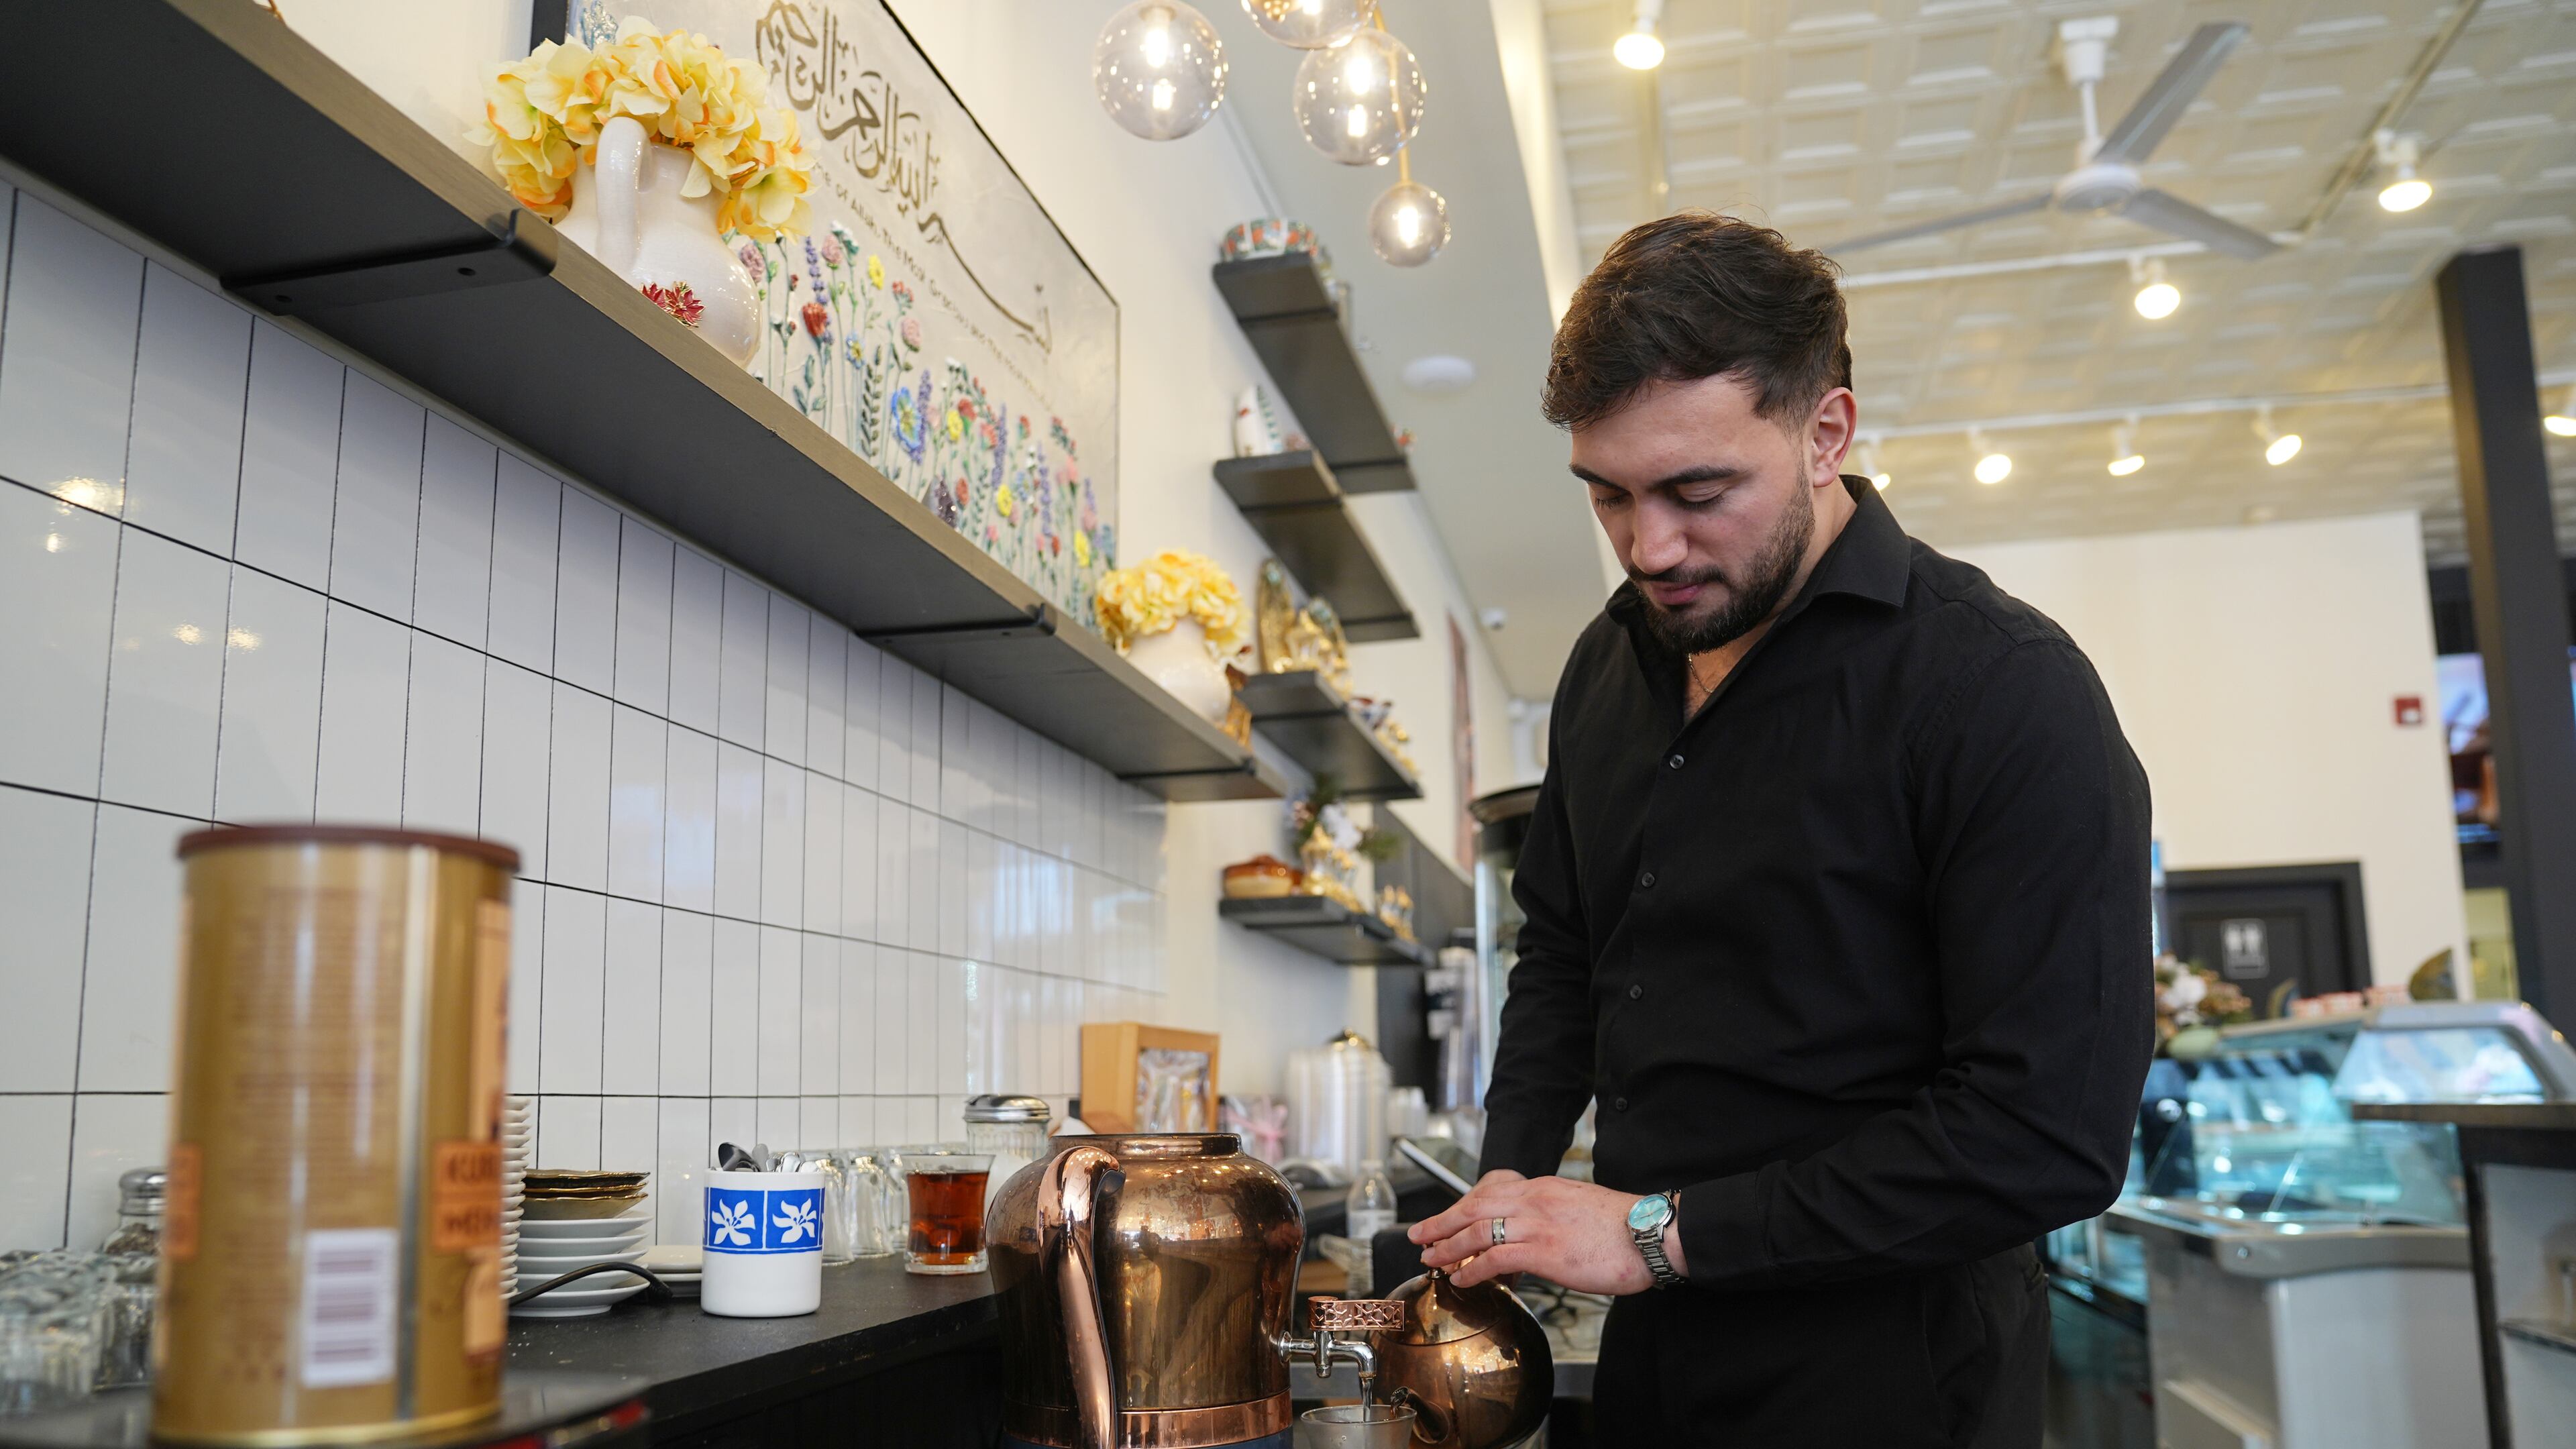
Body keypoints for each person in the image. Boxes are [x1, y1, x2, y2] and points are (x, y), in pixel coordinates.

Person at [1407, 212, 2154, 1446]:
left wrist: (1656, 1234)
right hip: (1659, 1345)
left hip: (1895, 1366)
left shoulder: (2004, 690)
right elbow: (1562, 948)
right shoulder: (1610, 664)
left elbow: (2046, 1136)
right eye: (1609, 497)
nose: (1650, 548)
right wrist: (1514, 1169)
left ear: (1826, 432)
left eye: (1699, 492)